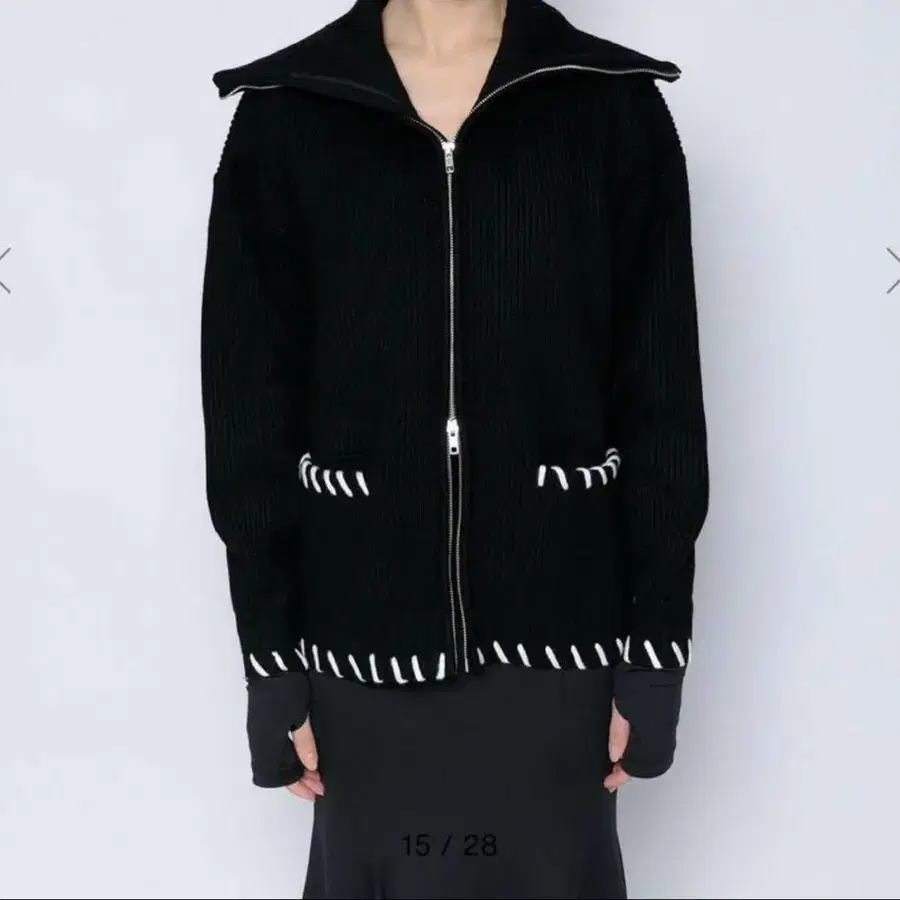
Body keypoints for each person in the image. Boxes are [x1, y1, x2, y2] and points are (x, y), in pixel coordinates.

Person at [200, 0, 709, 896]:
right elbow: (247, 406)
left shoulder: (612, 104)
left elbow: (661, 394)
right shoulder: (287, 110)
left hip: (559, 642)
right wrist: (269, 661)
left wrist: (658, 648)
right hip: (360, 638)